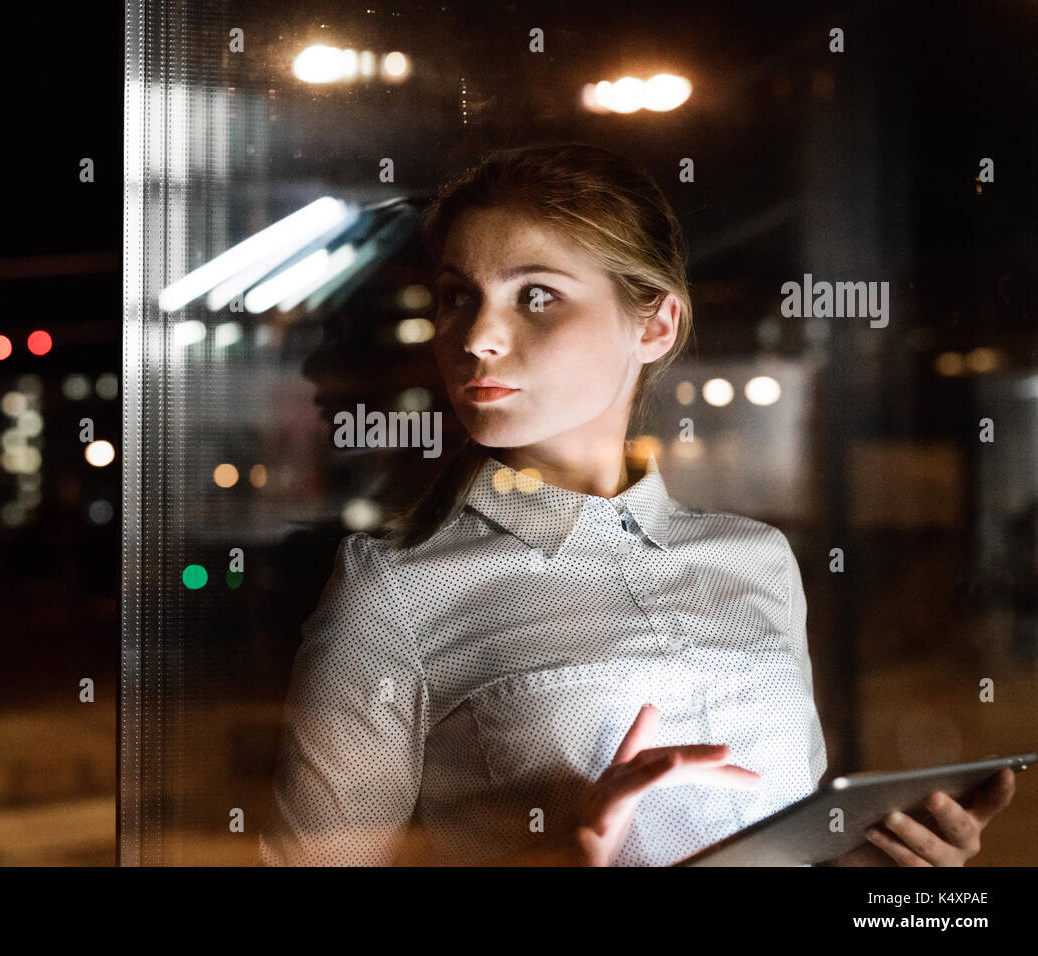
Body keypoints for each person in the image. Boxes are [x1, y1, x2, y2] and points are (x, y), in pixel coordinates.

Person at [258, 142, 1015, 866]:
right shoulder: (396, 590)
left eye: (537, 295)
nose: (477, 337)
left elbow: (783, 839)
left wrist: (879, 869)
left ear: (655, 324)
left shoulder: (756, 557)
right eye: (459, 296)